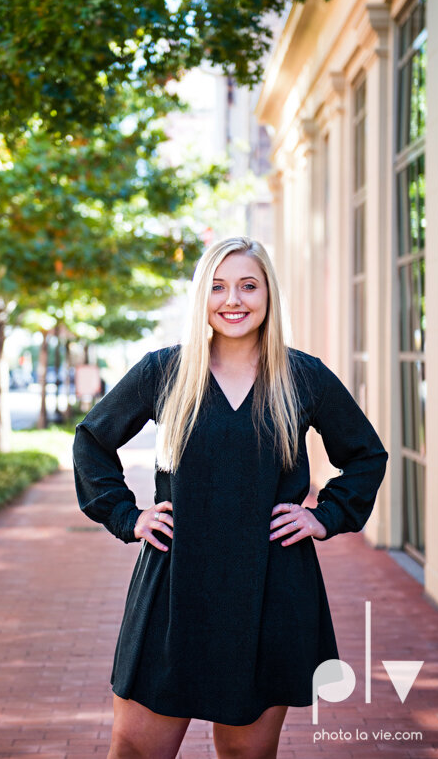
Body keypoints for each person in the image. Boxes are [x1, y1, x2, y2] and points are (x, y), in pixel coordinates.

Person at [72, 236, 388, 759]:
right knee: (135, 750)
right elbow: (93, 440)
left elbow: (365, 455)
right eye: (218, 287)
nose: (233, 300)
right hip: (175, 585)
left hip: (270, 589)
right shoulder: (165, 371)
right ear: (202, 297)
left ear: (268, 295)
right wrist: (127, 517)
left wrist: (326, 517)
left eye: (248, 285)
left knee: (246, 755)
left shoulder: (302, 377)